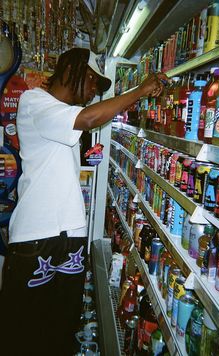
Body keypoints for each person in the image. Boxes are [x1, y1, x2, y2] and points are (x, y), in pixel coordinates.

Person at [0, 47, 168, 356]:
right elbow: (90, 118)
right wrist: (140, 89)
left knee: (61, 328)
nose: (93, 92)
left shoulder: (61, 114)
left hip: (70, 235)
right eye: (93, 81)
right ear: (73, 70)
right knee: (22, 330)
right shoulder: (35, 101)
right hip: (37, 236)